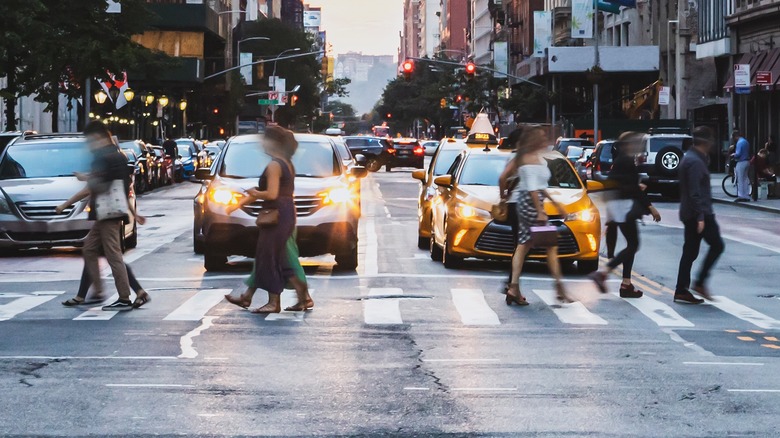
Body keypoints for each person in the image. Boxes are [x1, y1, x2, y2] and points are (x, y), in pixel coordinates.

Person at [56, 122, 150, 311]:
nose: (89, 145)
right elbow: (122, 188)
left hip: (108, 213)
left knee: (113, 255)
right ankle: (96, 293)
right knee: (90, 249)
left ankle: (123, 297)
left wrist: (69, 199)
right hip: (110, 212)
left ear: (99, 138)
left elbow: (97, 186)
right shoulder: (119, 156)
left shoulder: (104, 158)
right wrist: (133, 213)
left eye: (90, 141)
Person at [223, 126, 300, 313]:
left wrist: (254, 193)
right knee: (268, 256)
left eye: (265, 140)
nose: (262, 144)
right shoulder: (286, 163)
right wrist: (242, 201)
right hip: (285, 212)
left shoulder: (274, 165)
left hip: (277, 214)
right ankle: (247, 297)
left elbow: (271, 193)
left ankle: (274, 302)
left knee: (269, 257)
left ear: (273, 143)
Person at [505, 126, 572, 305]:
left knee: (527, 245)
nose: (545, 139)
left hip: (535, 202)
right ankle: (558, 288)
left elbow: (541, 187)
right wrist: (540, 211)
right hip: (529, 204)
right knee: (532, 245)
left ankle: (514, 286)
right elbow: (533, 188)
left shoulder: (538, 158)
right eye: (541, 136)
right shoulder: (526, 158)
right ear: (533, 139)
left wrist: (556, 204)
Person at [589, 132, 661, 298]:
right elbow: (631, 188)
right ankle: (604, 273)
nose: (639, 145)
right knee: (633, 244)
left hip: (619, 206)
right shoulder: (626, 160)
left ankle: (626, 284)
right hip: (624, 206)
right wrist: (650, 207)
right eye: (636, 142)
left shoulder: (622, 159)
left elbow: (620, 183)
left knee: (632, 244)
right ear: (628, 144)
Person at [674, 126, 725, 304]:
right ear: (705, 142)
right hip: (699, 213)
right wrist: (701, 217)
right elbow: (695, 191)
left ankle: (682, 289)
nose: (712, 143)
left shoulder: (692, 158)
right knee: (717, 245)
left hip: (692, 212)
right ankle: (699, 283)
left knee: (690, 252)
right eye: (710, 140)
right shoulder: (694, 161)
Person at [497, 127, 524, 294]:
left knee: (521, 245)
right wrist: (503, 198)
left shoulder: (519, 155)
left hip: (518, 204)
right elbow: (502, 178)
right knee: (523, 245)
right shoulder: (519, 156)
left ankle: (512, 283)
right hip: (520, 205)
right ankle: (511, 283)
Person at [62, 263, 148, 307]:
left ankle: (125, 297)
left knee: (112, 255)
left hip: (105, 228)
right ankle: (85, 294)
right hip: (101, 228)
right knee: (90, 250)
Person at [731, 129, 751, 202]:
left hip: (741, 162)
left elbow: (738, 153)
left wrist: (733, 154)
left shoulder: (739, 142)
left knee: (740, 179)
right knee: (745, 179)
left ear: (735, 136)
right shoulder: (745, 141)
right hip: (747, 161)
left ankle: (741, 196)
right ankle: (746, 195)